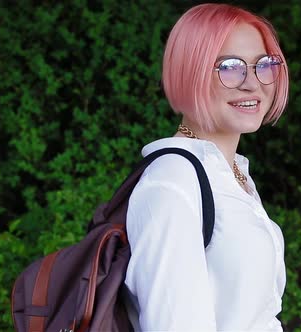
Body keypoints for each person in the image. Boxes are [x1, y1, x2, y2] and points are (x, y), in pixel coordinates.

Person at [123, 3, 289, 331]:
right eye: (230, 67)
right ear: (190, 71)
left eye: (264, 65)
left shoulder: (229, 174)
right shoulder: (172, 184)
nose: (253, 84)